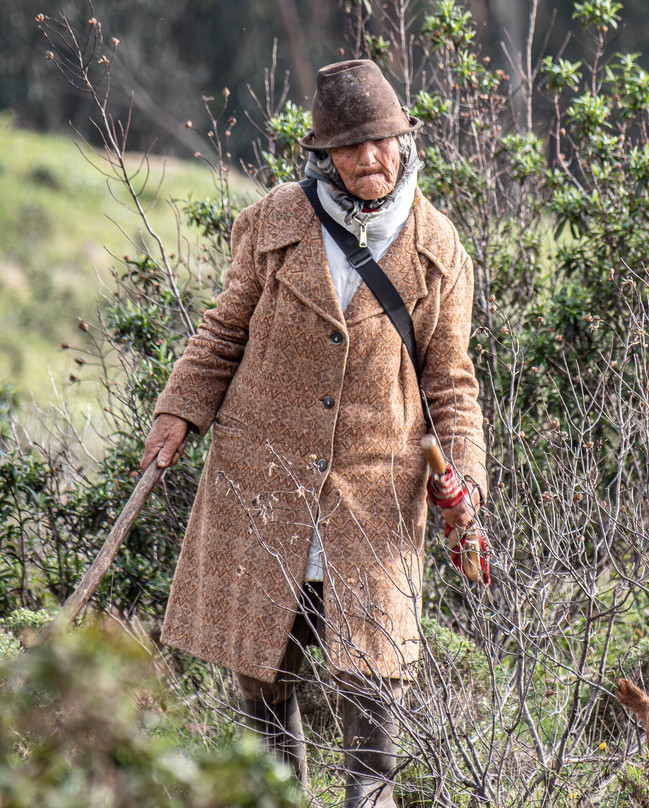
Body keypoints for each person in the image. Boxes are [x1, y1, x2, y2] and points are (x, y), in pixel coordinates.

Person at [140, 59, 487, 807]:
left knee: (373, 698)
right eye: (351, 146)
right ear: (322, 155)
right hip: (264, 484)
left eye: (383, 141)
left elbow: (451, 382)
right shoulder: (273, 222)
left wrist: (465, 476)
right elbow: (225, 330)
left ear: (404, 142)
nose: (370, 158)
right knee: (265, 685)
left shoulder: (437, 249)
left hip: (376, 494)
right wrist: (179, 409)